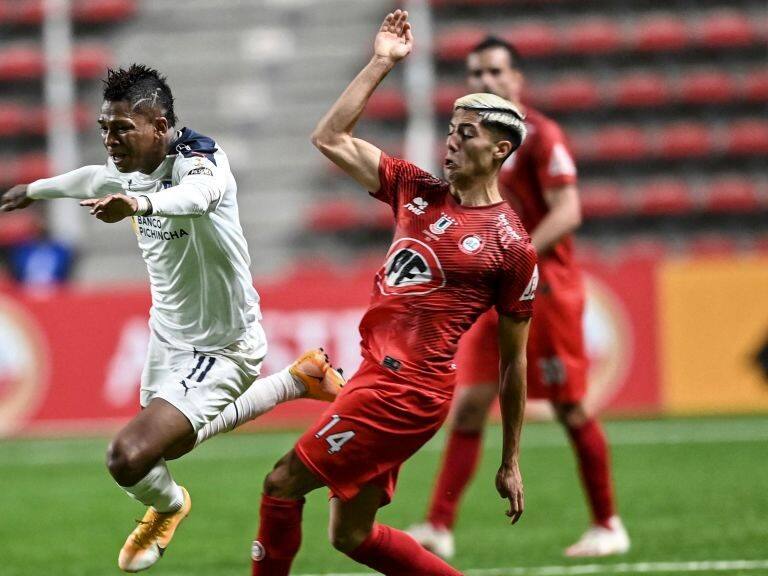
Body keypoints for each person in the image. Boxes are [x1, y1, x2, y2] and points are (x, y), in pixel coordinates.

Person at [0, 64, 343, 573]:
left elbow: (196, 199)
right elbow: (92, 177)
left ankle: (168, 507)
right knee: (169, 446)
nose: (110, 139)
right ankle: (296, 380)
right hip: (167, 336)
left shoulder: (201, 160)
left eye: (122, 128)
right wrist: (34, 189)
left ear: (159, 125)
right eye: (105, 128)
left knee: (128, 456)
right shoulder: (126, 167)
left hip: (223, 344)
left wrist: (138, 204)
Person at [247, 11, 537, 576]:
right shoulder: (415, 189)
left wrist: (511, 460)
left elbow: (513, 362)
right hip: (376, 375)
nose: (451, 142)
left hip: (406, 392)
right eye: (451, 130)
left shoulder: (510, 247)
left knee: (281, 483)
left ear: (500, 150)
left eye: (467, 134)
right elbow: (329, 137)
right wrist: (381, 61)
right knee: (351, 535)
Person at [406, 36, 630, 558]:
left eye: (494, 72)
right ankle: (438, 525)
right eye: (476, 74)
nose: (484, 81)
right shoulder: (474, 141)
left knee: (570, 406)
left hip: (545, 290)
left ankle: (608, 524)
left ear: (516, 79)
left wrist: (517, 253)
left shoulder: (541, 137)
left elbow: (568, 210)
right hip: (496, 291)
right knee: (469, 406)